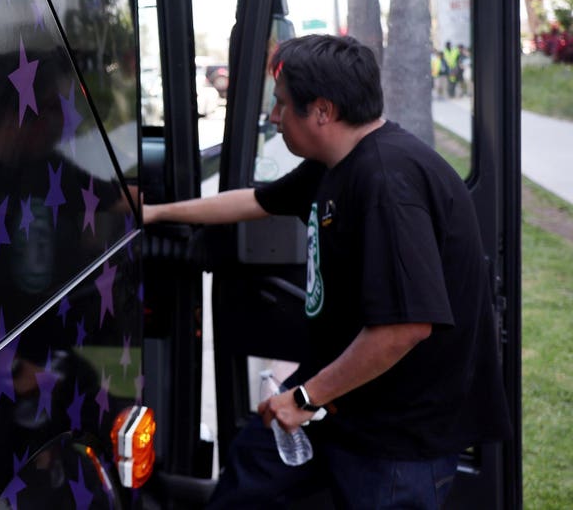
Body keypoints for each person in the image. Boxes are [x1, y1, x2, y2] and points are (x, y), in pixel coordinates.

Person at [145, 35, 510, 509]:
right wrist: (155, 213)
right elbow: (256, 200)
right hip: (345, 403)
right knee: (251, 471)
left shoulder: (387, 182)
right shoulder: (335, 164)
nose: (274, 117)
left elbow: (404, 327)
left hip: (397, 437)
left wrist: (304, 398)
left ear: (321, 110)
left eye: (281, 104)